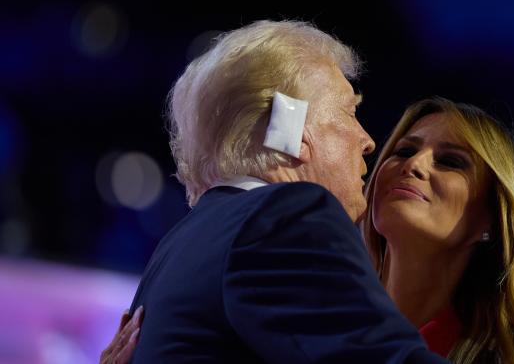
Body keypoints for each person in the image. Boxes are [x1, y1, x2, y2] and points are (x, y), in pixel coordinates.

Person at [102, 19, 447, 363]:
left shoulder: (173, 250)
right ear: (291, 128)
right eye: (350, 112)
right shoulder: (286, 218)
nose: (368, 141)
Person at [361, 96, 514, 363]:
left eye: (449, 161)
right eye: (404, 151)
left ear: (491, 219)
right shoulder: (319, 327)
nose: (413, 165)